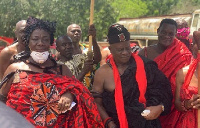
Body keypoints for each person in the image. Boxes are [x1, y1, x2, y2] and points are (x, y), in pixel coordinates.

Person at [0, 17, 103, 128]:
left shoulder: (61, 69)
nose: (40, 43)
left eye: (45, 39)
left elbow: (78, 90)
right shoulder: (15, 69)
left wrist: (69, 94)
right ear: (28, 41)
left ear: (50, 42)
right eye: (35, 39)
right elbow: (2, 102)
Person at [92, 23, 172, 128]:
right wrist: (109, 122)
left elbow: (166, 91)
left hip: (146, 124)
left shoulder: (147, 66)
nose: (125, 52)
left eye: (127, 48)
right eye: (120, 50)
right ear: (110, 50)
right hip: (116, 124)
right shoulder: (102, 73)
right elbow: (96, 103)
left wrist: (160, 107)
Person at [139, 18, 192, 128]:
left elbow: (186, 83)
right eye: (164, 32)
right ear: (158, 31)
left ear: (175, 34)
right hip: (149, 104)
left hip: (173, 107)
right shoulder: (144, 53)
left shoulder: (182, 54)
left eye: (171, 34)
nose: (167, 36)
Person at [174, 31, 200, 128]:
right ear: (193, 46)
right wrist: (188, 104)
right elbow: (177, 103)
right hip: (188, 124)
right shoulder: (182, 73)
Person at [66, 24, 101, 89]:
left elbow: (97, 59)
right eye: (73, 31)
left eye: (78, 31)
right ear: (67, 34)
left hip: (88, 89)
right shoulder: (64, 52)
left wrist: (93, 38)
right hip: (71, 89)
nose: (76, 33)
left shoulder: (88, 49)